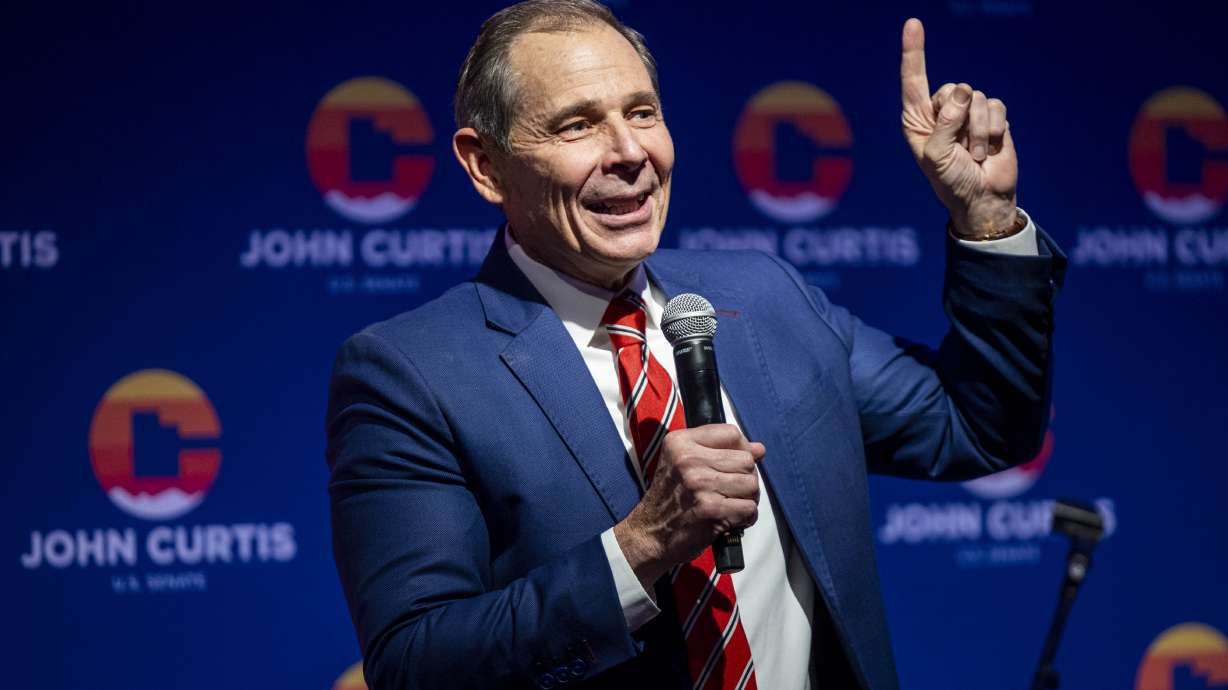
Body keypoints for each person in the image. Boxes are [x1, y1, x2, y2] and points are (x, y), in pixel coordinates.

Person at [325, 2, 1065, 689]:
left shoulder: (767, 298)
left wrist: (988, 221)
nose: (629, 152)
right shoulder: (410, 373)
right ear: (484, 164)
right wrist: (641, 547)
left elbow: (980, 428)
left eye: (642, 112)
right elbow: (415, 662)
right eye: (577, 125)